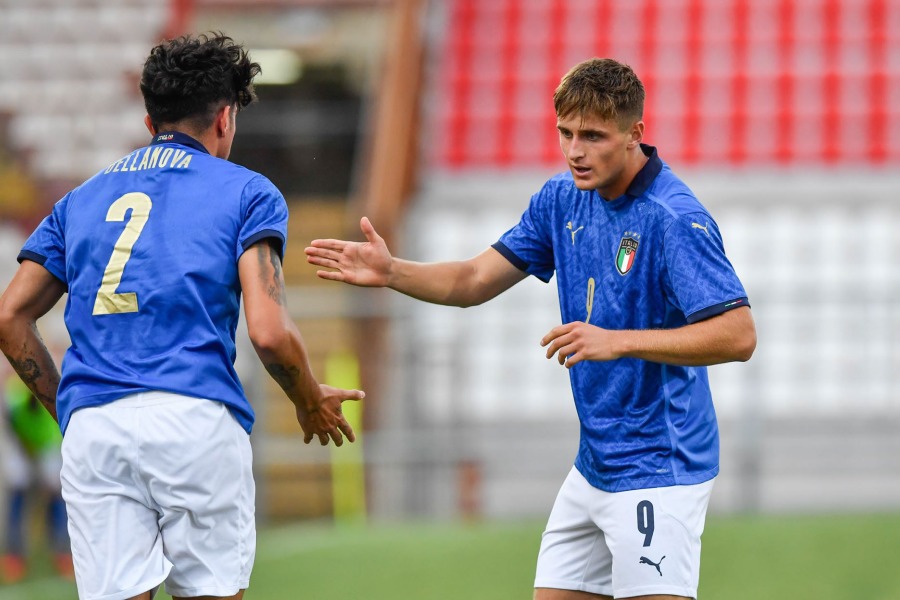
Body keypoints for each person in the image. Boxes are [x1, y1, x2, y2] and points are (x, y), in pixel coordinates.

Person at [305, 58, 756, 600]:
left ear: (635, 133)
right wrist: (391, 271)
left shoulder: (673, 217)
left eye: (593, 136)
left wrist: (617, 341)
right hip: (595, 465)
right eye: (566, 133)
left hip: (660, 466)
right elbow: (473, 279)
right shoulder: (561, 198)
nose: (574, 151)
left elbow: (739, 334)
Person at [0, 32, 363, 600]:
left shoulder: (79, 200)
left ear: (150, 122)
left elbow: (10, 317)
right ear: (225, 118)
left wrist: (69, 408)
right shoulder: (248, 192)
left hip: (97, 427)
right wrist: (308, 399)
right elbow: (269, 333)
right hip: (193, 419)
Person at [0, 373, 73, 583]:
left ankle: (62, 552)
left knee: (56, 495)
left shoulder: (52, 403)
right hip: (19, 445)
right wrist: (25, 454)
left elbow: (52, 439)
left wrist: (48, 476)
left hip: (45, 447)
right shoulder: (14, 399)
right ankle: (15, 556)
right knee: (18, 492)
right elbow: (12, 429)